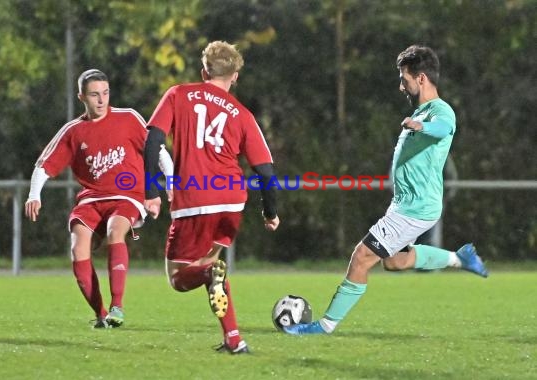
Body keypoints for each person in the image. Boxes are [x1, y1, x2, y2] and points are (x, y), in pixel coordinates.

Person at [284, 45, 488, 336]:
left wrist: (420, 126)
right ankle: (460, 258)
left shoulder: (439, 111)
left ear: (421, 78)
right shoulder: (422, 110)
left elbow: (443, 128)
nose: (400, 85)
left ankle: (323, 327)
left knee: (361, 257)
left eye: (404, 78)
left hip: (413, 209)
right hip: (406, 205)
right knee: (394, 262)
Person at [144, 41, 280, 354]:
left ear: (204, 71)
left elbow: (152, 141)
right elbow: (267, 172)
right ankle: (234, 339)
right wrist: (270, 212)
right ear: (234, 77)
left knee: (179, 278)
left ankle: (211, 277)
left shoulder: (178, 94)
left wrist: (150, 190)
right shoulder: (243, 115)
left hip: (195, 199)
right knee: (210, 267)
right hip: (232, 201)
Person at [25, 69, 150, 328]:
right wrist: (34, 194)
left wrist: (163, 190)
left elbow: (157, 150)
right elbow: (44, 165)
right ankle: (101, 314)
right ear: (81, 96)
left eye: (105, 93)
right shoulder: (74, 130)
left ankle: (118, 305)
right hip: (91, 200)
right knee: (78, 246)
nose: (102, 100)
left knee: (117, 231)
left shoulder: (128, 118)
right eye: (94, 95)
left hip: (127, 196)